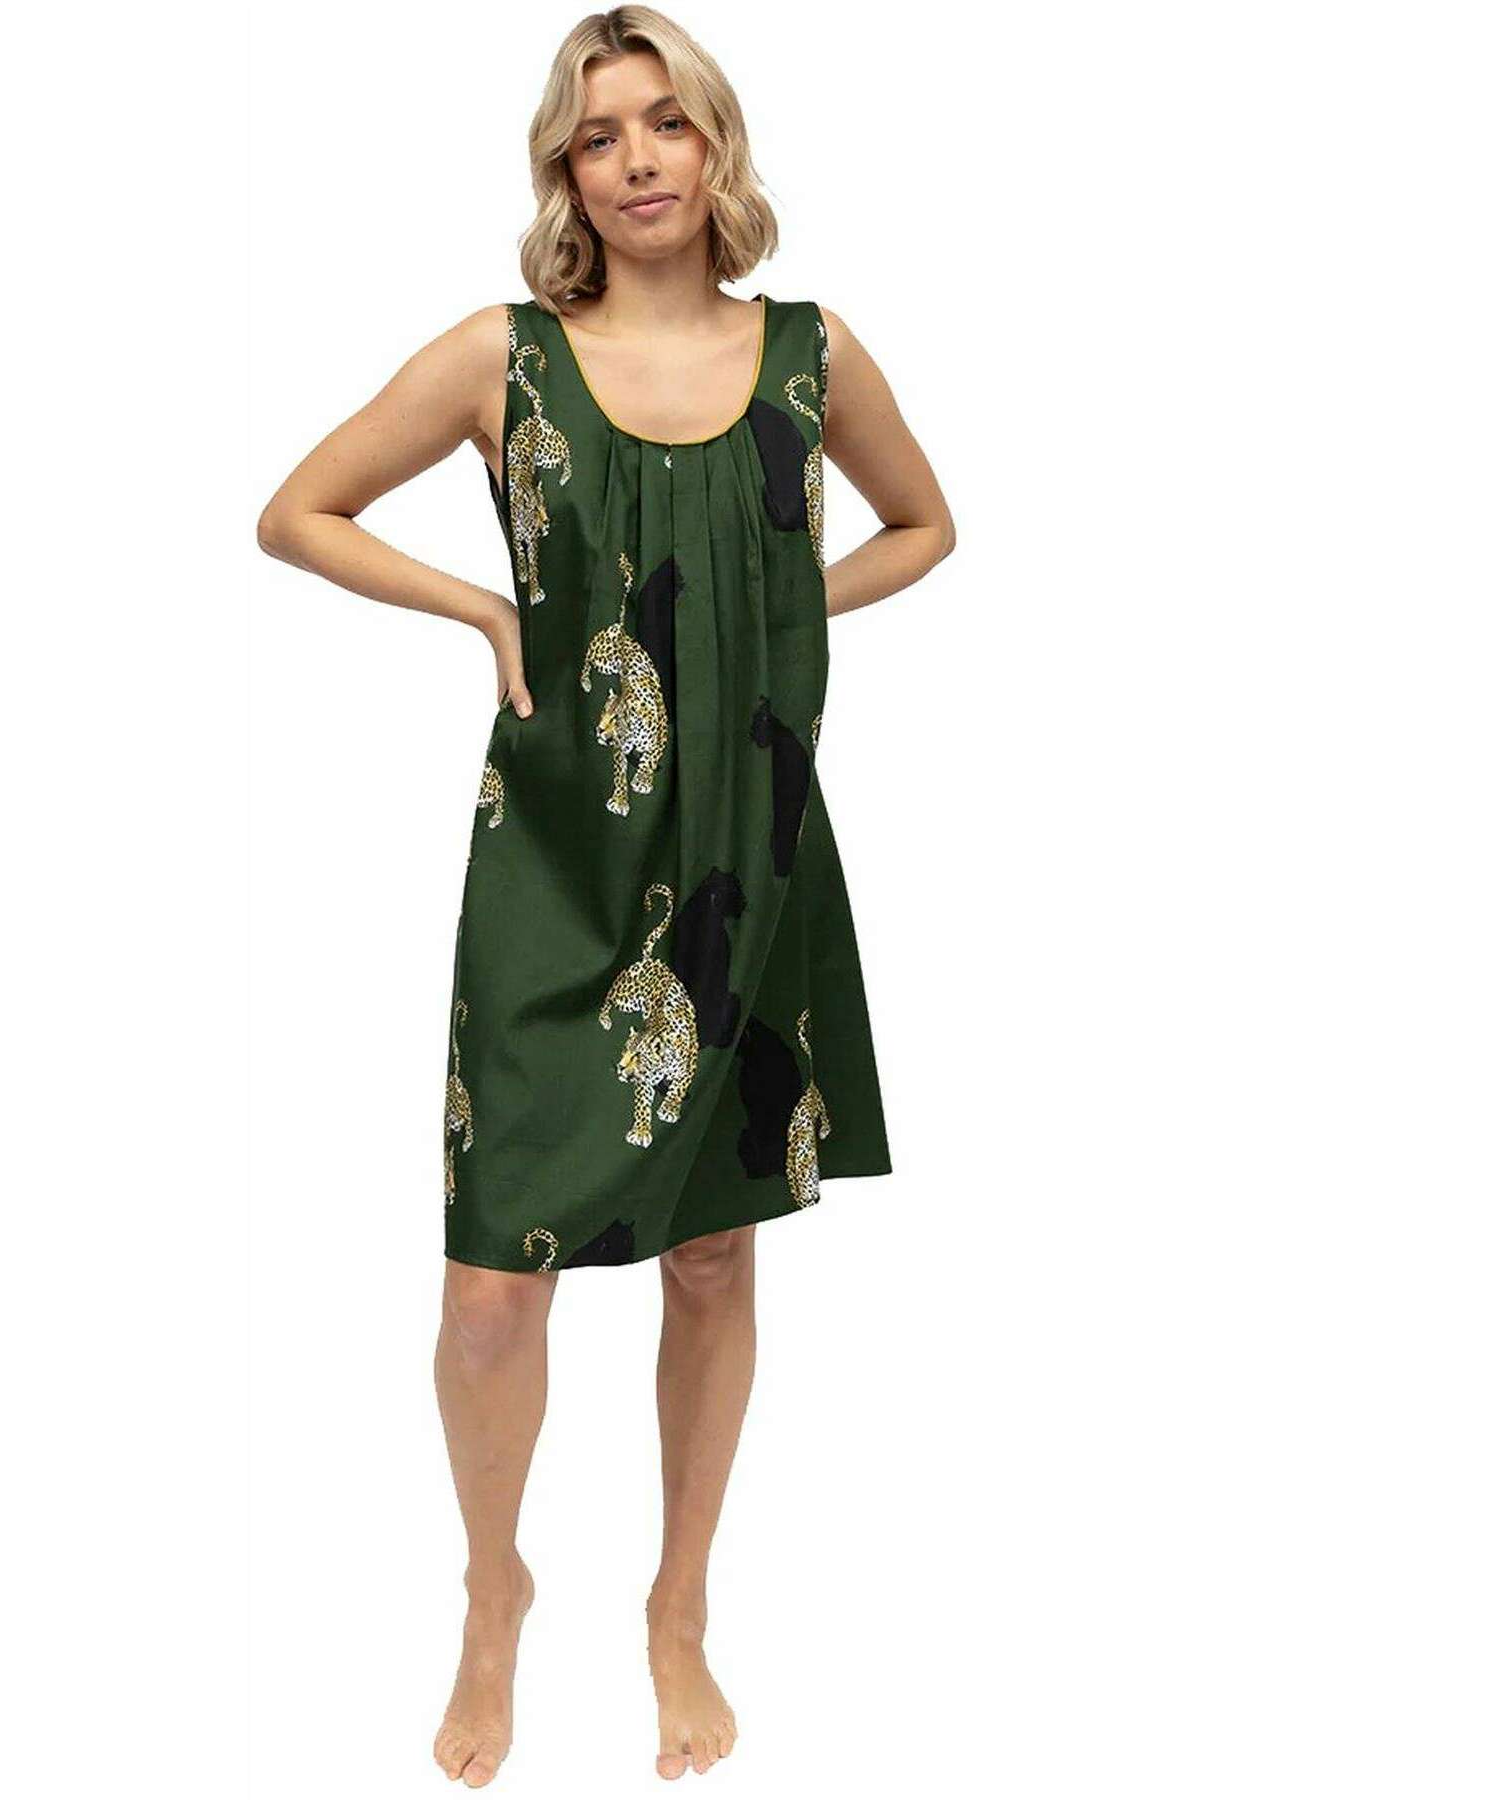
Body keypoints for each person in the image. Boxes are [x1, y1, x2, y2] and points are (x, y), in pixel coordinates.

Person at [257, 6, 955, 1784]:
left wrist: (772, 632)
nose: (638, 160)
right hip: (556, 858)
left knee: (713, 1255)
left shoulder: (809, 354)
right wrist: (485, 610)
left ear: (717, 144)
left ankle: (679, 1610)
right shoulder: (502, 359)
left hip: (747, 848)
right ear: (563, 172)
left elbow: (923, 525)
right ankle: (494, 1592)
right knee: (494, 1283)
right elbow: (299, 510)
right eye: (598, 134)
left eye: (667, 123)